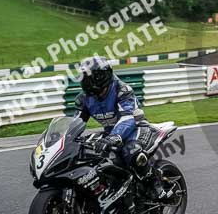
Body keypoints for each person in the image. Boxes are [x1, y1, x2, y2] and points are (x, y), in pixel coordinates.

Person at [73, 56, 171, 200]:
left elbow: (127, 118)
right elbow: (75, 123)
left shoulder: (122, 90)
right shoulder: (84, 99)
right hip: (110, 132)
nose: (87, 82)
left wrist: (114, 136)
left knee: (131, 152)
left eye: (91, 77)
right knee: (88, 152)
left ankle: (156, 185)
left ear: (103, 76)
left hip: (136, 128)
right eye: (84, 78)